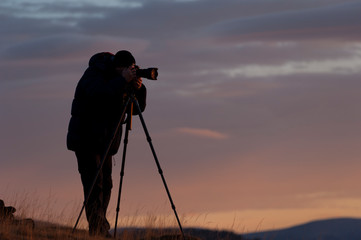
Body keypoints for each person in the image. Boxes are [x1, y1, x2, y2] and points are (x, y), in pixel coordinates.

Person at [67, 50, 146, 237]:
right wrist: (122, 81)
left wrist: (138, 88)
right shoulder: (95, 73)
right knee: (95, 186)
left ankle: (100, 229)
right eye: (127, 70)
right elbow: (98, 94)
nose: (129, 73)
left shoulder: (118, 80)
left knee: (107, 185)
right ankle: (98, 231)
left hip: (105, 142)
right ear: (118, 67)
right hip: (86, 139)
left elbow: (136, 109)